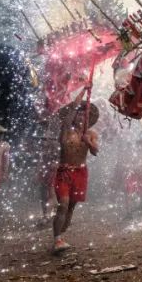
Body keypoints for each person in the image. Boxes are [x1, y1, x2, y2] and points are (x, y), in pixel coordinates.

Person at [51, 99, 100, 254]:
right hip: (64, 172)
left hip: (81, 173)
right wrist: (83, 92)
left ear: (87, 118)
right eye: (77, 114)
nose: (80, 117)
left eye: (83, 115)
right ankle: (57, 239)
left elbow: (95, 151)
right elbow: (66, 120)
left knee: (71, 208)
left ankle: (61, 236)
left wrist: (88, 141)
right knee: (63, 205)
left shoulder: (91, 134)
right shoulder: (66, 130)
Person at [124, 129, 142, 219]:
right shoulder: (132, 150)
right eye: (140, 142)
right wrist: (132, 168)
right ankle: (129, 212)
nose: (141, 144)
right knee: (130, 191)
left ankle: (141, 206)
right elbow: (126, 161)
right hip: (133, 174)